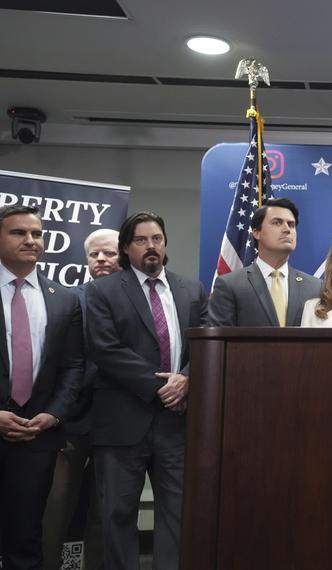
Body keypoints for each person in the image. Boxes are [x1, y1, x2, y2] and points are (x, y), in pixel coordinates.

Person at [86, 212, 208, 570]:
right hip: (122, 422)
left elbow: (203, 345)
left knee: (178, 515)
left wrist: (186, 377)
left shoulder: (191, 289)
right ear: (126, 248)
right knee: (118, 516)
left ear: (165, 243)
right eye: (141, 240)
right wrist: (162, 387)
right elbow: (105, 349)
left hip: (177, 422)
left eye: (157, 238)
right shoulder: (103, 290)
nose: (151, 246)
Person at [0, 205, 84, 570]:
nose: (30, 240)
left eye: (36, 234)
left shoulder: (64, 298)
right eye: (18, 232)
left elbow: (73, 366)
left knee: (26, 535)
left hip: (38, 437)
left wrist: (54, 413)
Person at [42, 229, 119, 570]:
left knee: (108, 512)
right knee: (55, 507)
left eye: (109, 254)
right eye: (94, 255)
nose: (101, 260)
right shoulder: (69, 300)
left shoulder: (142, 301)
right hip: (69, 422)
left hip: (119, 425)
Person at [209, 198, 321, 327]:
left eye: (291, 225)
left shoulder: (315, 287)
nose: (287, 229)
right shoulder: (230, 285)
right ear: (257, 233)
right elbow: (219, 340)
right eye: (277, 223)